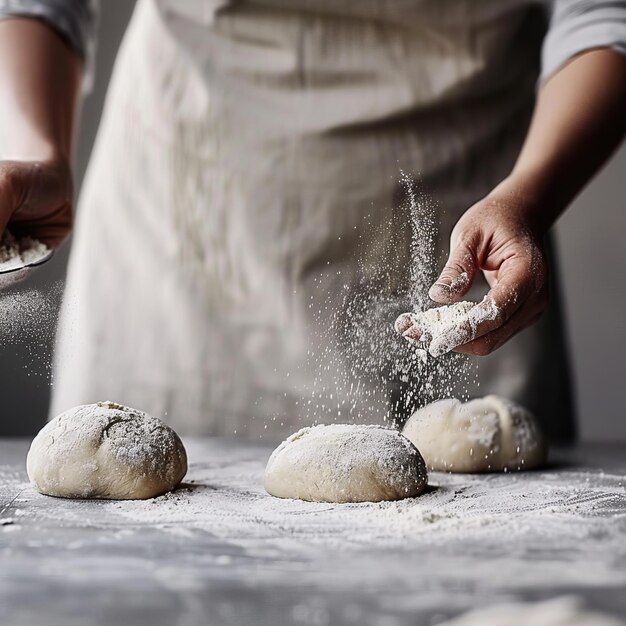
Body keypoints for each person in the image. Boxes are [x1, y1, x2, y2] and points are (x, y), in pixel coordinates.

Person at [0, 1, 624, 441]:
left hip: (460, 230)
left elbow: (604, 15)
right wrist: (36, 151)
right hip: (185, 226)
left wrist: (528, 198)